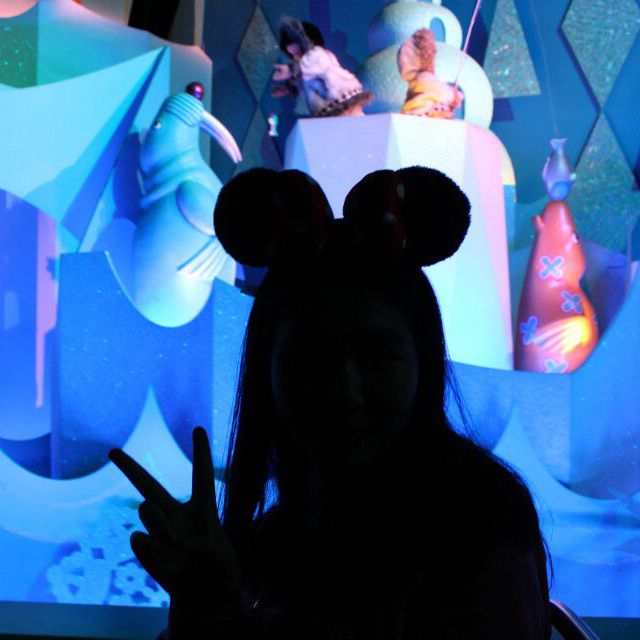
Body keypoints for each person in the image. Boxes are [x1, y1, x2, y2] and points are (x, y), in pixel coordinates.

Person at [110, 167, 551, 639]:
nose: (344, 390)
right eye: (310, 359)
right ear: (265, 370)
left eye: (377, 356)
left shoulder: (480, 526)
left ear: (424, 361)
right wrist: (205, 613)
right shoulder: (276, 539)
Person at [271, 17, 373, 117]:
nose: (295, 56)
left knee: (353, 118)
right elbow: (306, 82)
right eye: (292, 54)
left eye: (296, 51)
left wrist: (290, 70)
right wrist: (289, 88)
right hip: (331, 105)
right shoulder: (310, 67)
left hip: (342, 98)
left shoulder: (317, 54)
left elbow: (311, 66)